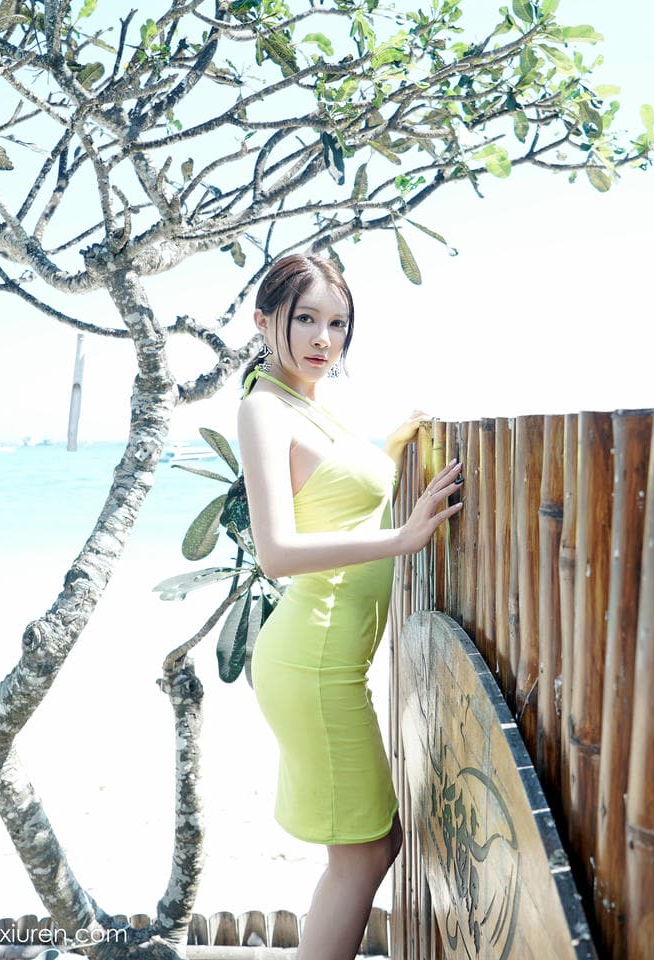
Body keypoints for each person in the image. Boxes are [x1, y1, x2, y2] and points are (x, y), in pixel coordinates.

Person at [236, 253, 464, 959]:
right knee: (365, 853)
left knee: (369, 846)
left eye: (337, 324)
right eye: (305, 318)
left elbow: (339, 501)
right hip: (312, 659)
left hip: (332, 656)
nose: (323, 339)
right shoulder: (262, 409)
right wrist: (402, 538)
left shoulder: (312, 405)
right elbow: (276, 552)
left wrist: (391, 450)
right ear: (263, 321)